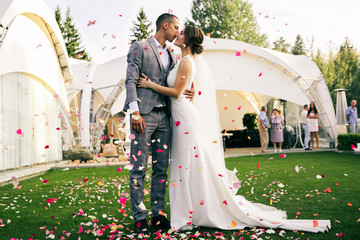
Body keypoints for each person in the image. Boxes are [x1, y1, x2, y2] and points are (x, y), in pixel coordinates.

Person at [138, 25, 330, 233]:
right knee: (186, 165)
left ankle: (185, 216)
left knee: (184, 166)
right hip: (179, 116)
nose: (178, 34)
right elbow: (186, 88)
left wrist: (150, 85)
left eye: (182, 33)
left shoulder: (186, 62)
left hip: (184, 118)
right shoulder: (181, 60)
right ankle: (191, 210)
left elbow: (176, 92)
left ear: (189, 41)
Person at [123, 13, 194, 235]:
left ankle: (158, 214)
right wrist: (135, 113)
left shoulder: (174, 53)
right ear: (166, 26)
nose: (177, 32)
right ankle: (139, 217)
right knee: (139, 168)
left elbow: (175, 82)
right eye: (176, 27)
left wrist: (188, 90)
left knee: (161, 169)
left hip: (166, 118)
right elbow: (131, 79)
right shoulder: (140, 46)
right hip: (143, 115)